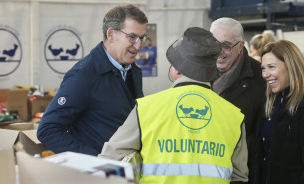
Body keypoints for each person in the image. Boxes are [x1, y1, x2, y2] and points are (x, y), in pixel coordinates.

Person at [99, 27, 249, 184]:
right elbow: (239, 178)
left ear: (177, 69)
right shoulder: (234, 116)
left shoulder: (146, 108)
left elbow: (109, 161)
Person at [37, 4, 148, 156]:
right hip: (99, 175)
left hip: (126, 172)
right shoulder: (83, 75)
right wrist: (95, 160)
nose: (139, 45)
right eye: (132, 37)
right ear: (111, 34)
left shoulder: (134, 71)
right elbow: (48, 130)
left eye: (141, 38)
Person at [250, 39, 304, 184]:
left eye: (271, 67)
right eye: (263, 68)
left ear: (291, 66)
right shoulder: (271, 102)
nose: (265, 74)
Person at [209, 17, 266, 174]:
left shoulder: (262, 79)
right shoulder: (199, 72)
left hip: (242, 171)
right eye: (214, 44)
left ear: (241, 46)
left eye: (226, 46)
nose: (218, 51)